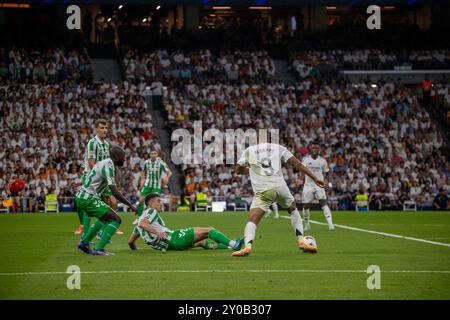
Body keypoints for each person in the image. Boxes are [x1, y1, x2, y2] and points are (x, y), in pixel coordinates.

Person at [232, 139, 324, 257]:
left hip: (263, 190)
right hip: (280, 187)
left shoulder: (250, 150)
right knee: (293, 210)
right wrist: (315, 178)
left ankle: (247, 247)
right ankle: (301, 240)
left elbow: (238, 170)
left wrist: (250, 169)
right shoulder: (278, 147)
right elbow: (297, 164)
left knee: (253, 219)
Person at [128, 194, 243, 252]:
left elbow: (130, 242)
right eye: (158, 201)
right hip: (173, 238)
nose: (161, 204)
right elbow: (143, 223)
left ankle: (228, 246)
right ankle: (234, 245)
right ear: (149, 204)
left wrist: (136, 251)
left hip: (168, 247)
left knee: (201, 242)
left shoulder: (139, 219)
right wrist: (158, 233)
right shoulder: (151, 211)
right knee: (209, 230)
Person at [76, 146, 136, 256]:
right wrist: (130, 205)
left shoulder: (104, 163)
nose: (124, 160)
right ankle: (99, 249)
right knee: (116, 219)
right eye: (123, 157)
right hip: (88, 198)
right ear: (117, 157)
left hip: (84, 196)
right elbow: (114, 190)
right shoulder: (108, 165)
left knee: (104, 219)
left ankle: (84, 244)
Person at [74, 118, 123, 235]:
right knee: (89, 204)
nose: (104, 130)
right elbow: (91, 164)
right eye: (101, 127)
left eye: (106, 128)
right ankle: (85, 234)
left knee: (110, 203)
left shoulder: (106, 144)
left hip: (103, 178)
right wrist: (104, 177)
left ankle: (101, 231)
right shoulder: (92, 143)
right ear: (96, 129)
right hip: (92, 176)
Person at [301, 142, 334, 230]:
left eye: (316, 148)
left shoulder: (322, 161)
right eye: (313, 148)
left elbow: (327, 172)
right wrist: (301, 181)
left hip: (319, 184)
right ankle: (307, 224)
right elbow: (302, 170)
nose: (315, 150)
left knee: (323, 202)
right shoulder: (306, 159)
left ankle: (330, 224)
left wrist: (328, 182)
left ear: (319, 150)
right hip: (308, 185)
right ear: (310, 150)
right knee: (306, 205)